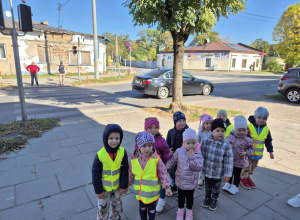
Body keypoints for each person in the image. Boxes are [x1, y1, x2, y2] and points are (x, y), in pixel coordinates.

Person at [129, 131, 172, 220]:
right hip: (140, 192)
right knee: (142, 207)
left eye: (149, 145)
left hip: (152, 192)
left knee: (152, 209)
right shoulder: (134, 159)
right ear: (139, 146)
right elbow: (131, 173)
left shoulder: (156, 159)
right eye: (144, 146)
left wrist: (167, 187)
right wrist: (127, 184)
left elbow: (163, 173)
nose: (147, 148)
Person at [92, 124, 129, 220]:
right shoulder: (100, 154)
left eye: (117, 138)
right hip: (104, 190)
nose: (114, 141)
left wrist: (124, 185)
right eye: (111, 138)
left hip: (117, 187)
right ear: (105, 139)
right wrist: (98, 190)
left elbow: (125, 169)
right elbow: (95, 173)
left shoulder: (122, 152)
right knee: (103, 210)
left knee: (118, 207)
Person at [133, 117, 171, 212]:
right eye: (150, 127)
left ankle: (161, 200)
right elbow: (136, 151)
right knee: (149, 183)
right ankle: (148, 196)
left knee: (161, 183)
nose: (153, 130)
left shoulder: (161, 140)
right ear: (146, 128)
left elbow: (166, 153)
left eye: (156, 127)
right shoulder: (141, 138)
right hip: (146, 169)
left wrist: (168, 165)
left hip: (158, 167)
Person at [166, 128, 203, 220]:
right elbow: (173, 161)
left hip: (191, 182)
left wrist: (192, 158)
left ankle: (189, 211)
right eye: (188, 143)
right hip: (181, 181)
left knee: (190, 198)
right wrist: (167, 168)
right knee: (181, 197)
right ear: (184, 143)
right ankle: (180, 211)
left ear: (196, 142)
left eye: (193, 143)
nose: (191, 145)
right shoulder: (179, 151)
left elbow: (198, 168)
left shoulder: (198, 153)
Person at [201, 118, 233, 211]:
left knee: (216, 187)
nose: (220, 133)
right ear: (212, 131)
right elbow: (201, 155)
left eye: (223, 131)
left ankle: (214, 199)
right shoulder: (205, 141)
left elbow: (229, 160)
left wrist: (228, 174)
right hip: (207, 171)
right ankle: (207, 197)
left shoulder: (226, 145)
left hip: (218, 173)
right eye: (217, 130)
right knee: (207, 186)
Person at [240, 107, 274, 189]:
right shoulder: (249, 127)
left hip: (258, 154)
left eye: (264, 118)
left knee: (253, 167)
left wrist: (270, 152)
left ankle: (249, 177)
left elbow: (268, 141)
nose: (261, 120)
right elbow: (242, 138)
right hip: (248, 153)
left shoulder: (266, 129)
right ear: (255, 117)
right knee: (246, 166)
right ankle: (243, 178)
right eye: (259, 117)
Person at [224, 116, 254, 194]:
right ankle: (228, 183)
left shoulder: (247, 139)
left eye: (243, 130)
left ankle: (235, 186)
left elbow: (251, 149)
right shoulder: (231, 136)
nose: (241, 132)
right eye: (239, 130)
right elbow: (226, 144)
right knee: (230, 172)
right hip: (230, 160)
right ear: (235, 129)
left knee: (237, 174)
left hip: (240, 161)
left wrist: (246, 153)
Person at [166, 111, 189, 195]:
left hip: (183, 157)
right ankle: (173, 183)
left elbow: (191, 143)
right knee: (172, 170)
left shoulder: (187, 132)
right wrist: (169, 149)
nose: (182, 123)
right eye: (179, 121)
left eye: (184, 120)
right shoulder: (171, 131)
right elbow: (167, 141)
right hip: (173, 156)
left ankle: (179, 188)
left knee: (181, 172)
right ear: (175, 122)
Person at [197, 114, 213, 187]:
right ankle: (200, 177)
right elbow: (197, 142)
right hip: (202, 152)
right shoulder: (200, 132)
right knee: (201, 165)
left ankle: (207, 176)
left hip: (210, 153)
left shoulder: (214, 132)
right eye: (207, 123)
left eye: (211, 123)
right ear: (203, 124)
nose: (209, 125)